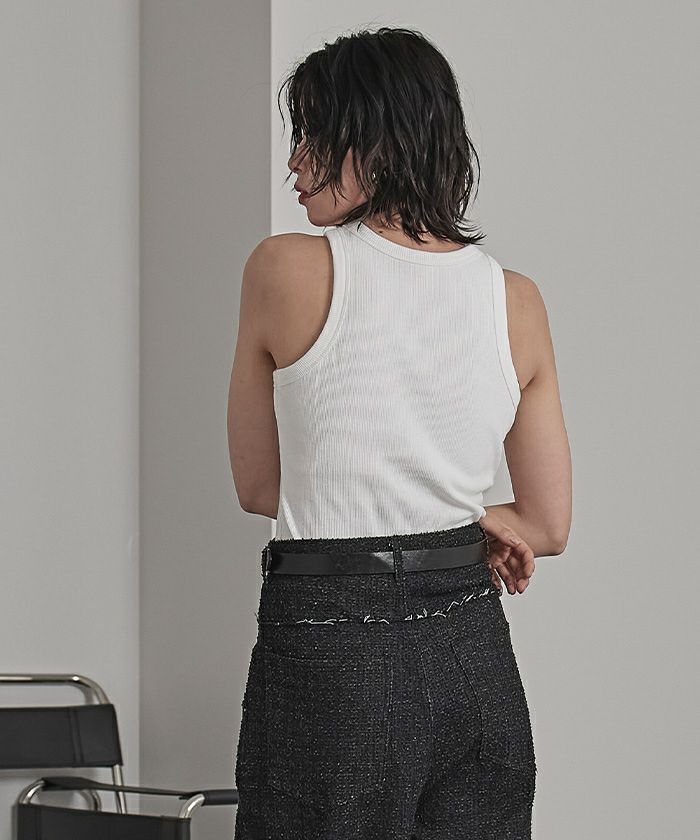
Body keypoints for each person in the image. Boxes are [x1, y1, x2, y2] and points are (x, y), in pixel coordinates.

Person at [227, 25, 571, 840]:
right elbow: (547, 525)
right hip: (474, 653)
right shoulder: (515, 300)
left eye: (313, 135)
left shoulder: (284, 268)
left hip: (332, 651)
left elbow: (261, 486)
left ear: (375, 142)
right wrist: (455, 525)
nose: (293, 163)